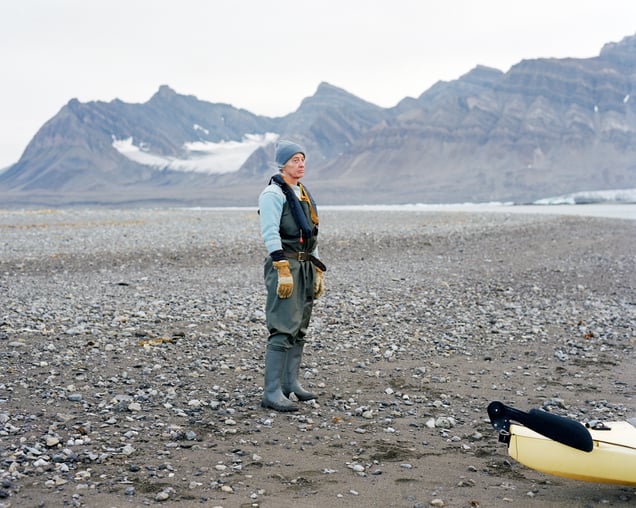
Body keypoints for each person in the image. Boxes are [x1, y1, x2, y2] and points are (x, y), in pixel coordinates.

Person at [258, 139, 326, 412]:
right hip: (286, 264)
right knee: (283, 326)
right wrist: (281, 268)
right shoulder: (273, 194)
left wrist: (317, 269)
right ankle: (271, 392)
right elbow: (269, 232)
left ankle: (290, 384)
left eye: (303, 159)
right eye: (295, 160)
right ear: (282, 164)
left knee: (299, 327)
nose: (301, 164)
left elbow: (311, 234)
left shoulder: (302, 193)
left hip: (305, 265)